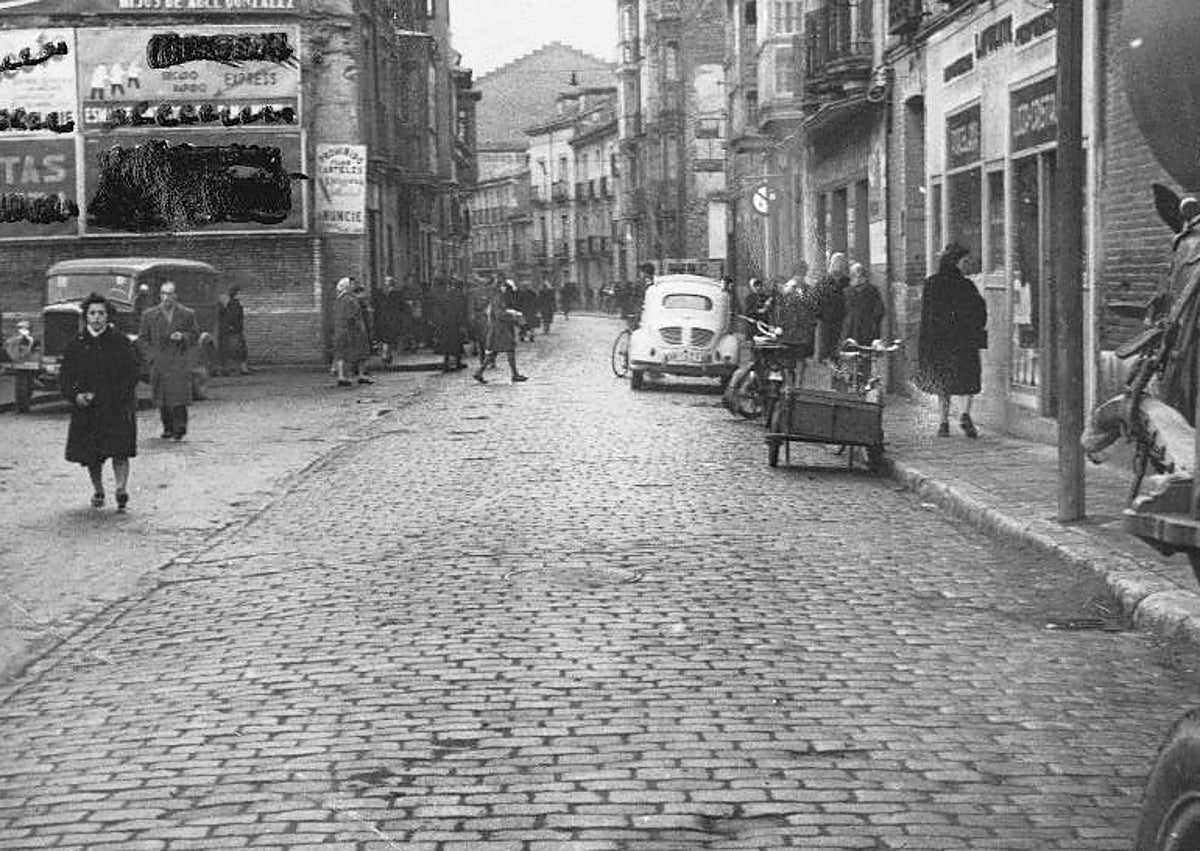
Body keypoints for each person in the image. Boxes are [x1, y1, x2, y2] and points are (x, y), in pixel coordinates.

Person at [62, 294, 140, 511]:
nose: (97, 318)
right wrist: (75, 395)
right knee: (92, 455)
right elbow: (66, 377)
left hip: (116, 407)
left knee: (120, 450)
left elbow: (131, 374)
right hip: (88, 409)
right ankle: (98, 489)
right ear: (86, 316)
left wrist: (115, 396)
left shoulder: (120, 342)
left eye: (101, 313)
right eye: (93, 313)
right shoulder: (76, 344)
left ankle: (121, 488)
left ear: (108, 316)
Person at [917, 243, 988, 438]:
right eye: (964, 261)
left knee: (943, 382)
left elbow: (926, 316)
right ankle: (965, 414)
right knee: (968, 378)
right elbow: (979, 311)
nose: (967, 265)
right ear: (955, 262)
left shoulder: (932, 283)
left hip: (939, 341)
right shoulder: (966, 285)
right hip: (963, 342)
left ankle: (943, 422)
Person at [138, 280, 198, 440]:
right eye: (163, 294)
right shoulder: (149, 315)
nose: (166, 297)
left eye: (170, 294)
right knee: (163, 396)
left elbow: (194, 335)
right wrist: (151, 357)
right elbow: (142, 339)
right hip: (160, 361)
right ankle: (168, 427)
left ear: (175, 296)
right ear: (160, 295)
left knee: (179, 396)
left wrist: (183, 336)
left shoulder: (187, 314)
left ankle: (180, 428)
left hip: (178, 360)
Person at [840, 262, 886, 389]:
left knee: (866, 356)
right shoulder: (846, 292)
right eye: (854, 276)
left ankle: (863, 381)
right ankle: (851, 381)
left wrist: (872, 322)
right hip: (850, 329)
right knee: (850, 355)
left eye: (860, 275)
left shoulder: (871, 290)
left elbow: (880, 310)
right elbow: (841, 311)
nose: (857, 278)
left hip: (867, 330)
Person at [773, 268, 818, 388]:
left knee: (801, 360)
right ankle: (789, 385)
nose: (799, 278)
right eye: (797, 275)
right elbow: (780, 309)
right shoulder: (787, 289)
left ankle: (798, 384)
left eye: (801, 275)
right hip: (789, 332)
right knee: (788, 361)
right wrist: (778, 326)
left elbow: (812, 308)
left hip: (802, 332)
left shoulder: (808, 290)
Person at [477, 279, 528, 383]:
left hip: (501, 328)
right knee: (508, 349)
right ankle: (515, 374)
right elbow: (499, 314)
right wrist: (513, 315)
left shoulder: (499, 297)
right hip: (500, 328)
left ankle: (479, 373)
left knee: (495, 352)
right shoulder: (498, 298)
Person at [332, 276, 372, 387]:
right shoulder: (349, 299)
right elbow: (352, 315)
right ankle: (354, 375)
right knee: (357, 351)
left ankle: (343, 375)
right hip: (352, 329)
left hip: (340, 328)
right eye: (351, 284)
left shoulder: (339, 299)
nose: (353, 286)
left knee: (341, 352)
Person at [814, 252, 851, 363]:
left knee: (841, 352)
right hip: (826, 323)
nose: (838, 265)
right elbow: (816, 301)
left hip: (842, 322)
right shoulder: (823, 282)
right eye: (836, 262)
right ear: (831, 263)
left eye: (841, 263)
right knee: (826, 354)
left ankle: (839, 376)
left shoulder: (847, 282)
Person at [217, 285, 252, 376]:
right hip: (233, 330)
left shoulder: (232, 304)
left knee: (235, 348)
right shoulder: (234, 304)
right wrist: (233, 327)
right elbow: (233, 317)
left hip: (232, 329)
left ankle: (235, 368)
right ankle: (237, 369)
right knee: (237, 349)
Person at [373, 275, 405, 364]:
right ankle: (386, 354)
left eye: (387, 281)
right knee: (385, 337)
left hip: (392, 318)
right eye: (385, 281)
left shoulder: (396, 294)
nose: (385, 283)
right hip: (383, 318)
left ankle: (387, 354)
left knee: (389, 337)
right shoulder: (381, 294)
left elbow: (400, 307)